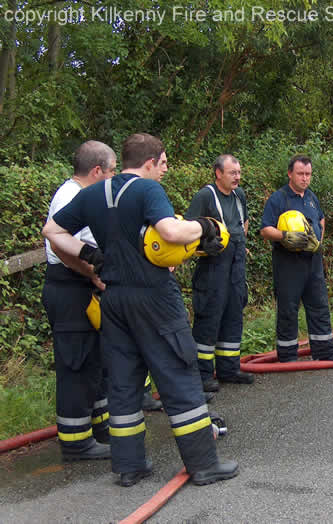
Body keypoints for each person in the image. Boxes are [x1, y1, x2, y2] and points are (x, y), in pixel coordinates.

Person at [43, 133, 238, 487]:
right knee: (179, 373)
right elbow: (170, 231)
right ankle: (203, 464)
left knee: (123, 382)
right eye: (162, 164)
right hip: (153, 296)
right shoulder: (147, 191)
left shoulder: (92, 194)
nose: (164, 171)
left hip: (114, 299)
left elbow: (52, 229)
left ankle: (129, 466)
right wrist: (206, 226)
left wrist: (89, 255)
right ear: (149, 162)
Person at [42, 140, 116, 461]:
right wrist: (94, 275)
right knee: (75, 364)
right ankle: (75, 442)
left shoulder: (84, 195)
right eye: (112, 171)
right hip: (70, 289)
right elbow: (62, 246)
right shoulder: (70, 197)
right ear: (97, 170)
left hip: (83, 287)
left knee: (93, 361)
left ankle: (98, 427)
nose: (113, 178)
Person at [260, 154, 333, 363]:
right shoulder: (278, 198)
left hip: (313, 261)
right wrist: (284, 236)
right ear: (290, 173)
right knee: (288, 309)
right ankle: (288, 356)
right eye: (300, 174)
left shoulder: (311, 197)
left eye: (308, 174)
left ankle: (324, 351)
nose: (305, 178)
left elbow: (321, 219)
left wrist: (318, 241)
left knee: (319, 305)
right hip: (288, 263)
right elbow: (265, 229)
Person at [186, 154, 254, 393]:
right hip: (212, 267)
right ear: (218, 173)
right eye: (232, 173)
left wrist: (240, 243)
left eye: (238, 172)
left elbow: (243, 224)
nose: (237, 177)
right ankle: (202, 375)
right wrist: (204, 246)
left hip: (235, 264)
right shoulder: (205, 196)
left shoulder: (239, 195)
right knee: (209, 316)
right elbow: (186, 232)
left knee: (233, 313)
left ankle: (229, 368)